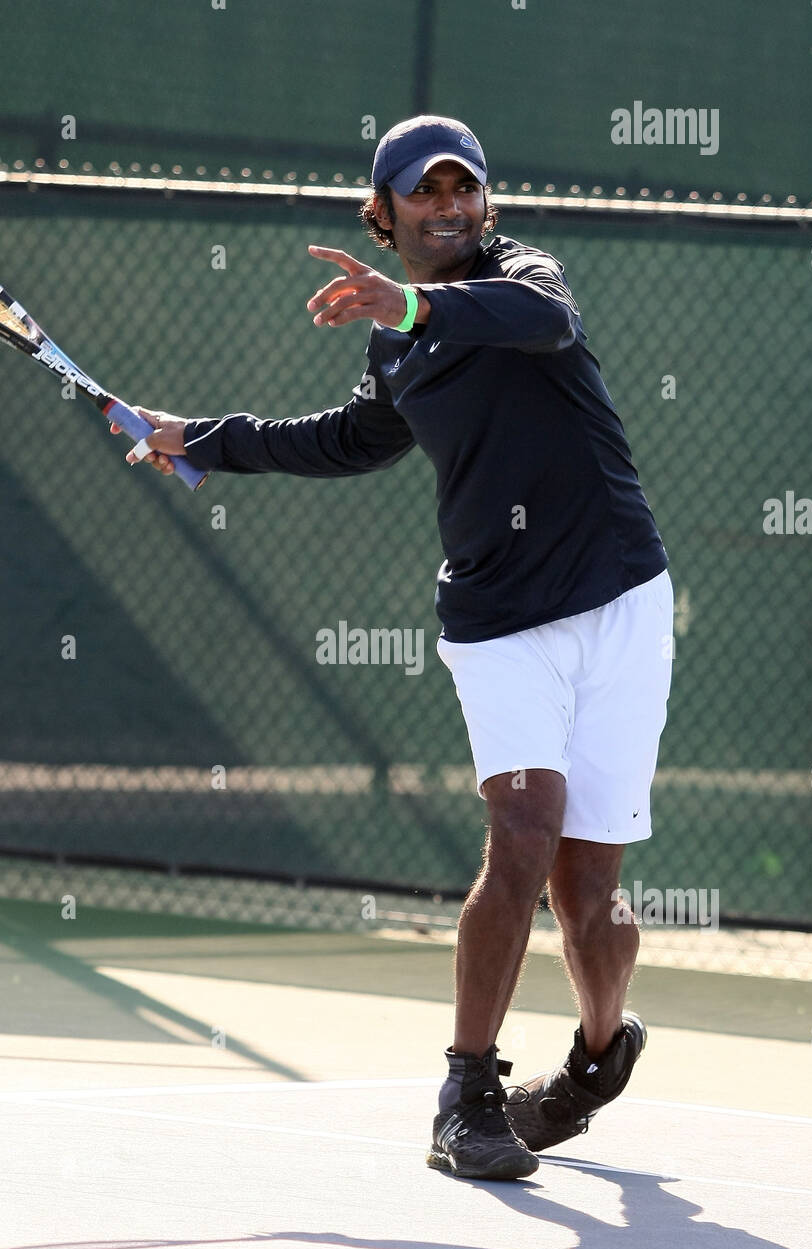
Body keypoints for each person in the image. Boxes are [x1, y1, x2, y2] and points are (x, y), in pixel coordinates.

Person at [112, 115, 674, 1181]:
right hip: (497, 620)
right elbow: (350, 437)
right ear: (386, 214)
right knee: (521, 834)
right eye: (426, 194)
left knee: (589, 895)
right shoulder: (397, 342)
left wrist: (411, 300)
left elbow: (539, 321)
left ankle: (599, 1057)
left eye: (466, 191)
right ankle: (467, 1094)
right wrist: (199, 438)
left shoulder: (525, 278)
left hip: (620, 601)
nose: (451, 208)